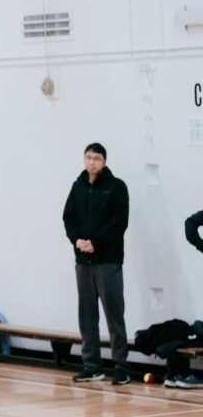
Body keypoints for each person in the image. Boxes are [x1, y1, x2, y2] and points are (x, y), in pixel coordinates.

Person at [62, 143, 131, 385]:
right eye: (88, 157)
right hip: (83, 261)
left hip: (108, 261)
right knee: (87, 315)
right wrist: (77, 240)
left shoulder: (116, 187)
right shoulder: (78, 186)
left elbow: (119, 223)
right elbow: (68, 217)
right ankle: (92, 366)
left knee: (114, 313)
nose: (92, 162)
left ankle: (121, 366)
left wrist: (96, 242)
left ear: (104, 161)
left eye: (97, 158)